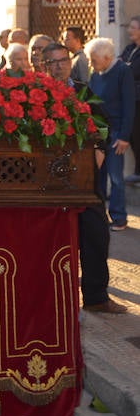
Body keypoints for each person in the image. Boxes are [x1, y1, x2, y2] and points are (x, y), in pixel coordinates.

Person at [42, 42, 126, 314]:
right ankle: (47, 301)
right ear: (44, 66)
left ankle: (96, 296)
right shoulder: (36, 94)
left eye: (63, 60)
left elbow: (103, 124)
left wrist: (100, 151)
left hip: (83, 180)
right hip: (47, 184)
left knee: (96, 234)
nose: (59, 65)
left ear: (70, 61)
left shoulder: (82, 91)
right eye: (53, 62)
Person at [86, 37, 135, 231]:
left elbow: (129, 105)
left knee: (116, 178)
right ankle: (101, 216)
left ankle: (119, 217)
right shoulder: (95, 73)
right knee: (100, 175)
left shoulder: (123, 71)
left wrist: (124, 136)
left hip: (115, 133)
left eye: (94, 60)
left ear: (106, 57)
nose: (91, 64)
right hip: (99, 133)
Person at [120, 15, 140, 184]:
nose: (129, 31)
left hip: (138, 99)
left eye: (133, 28)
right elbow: (120, 66)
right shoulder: (129, 49)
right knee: (132, 134)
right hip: (129, 99)